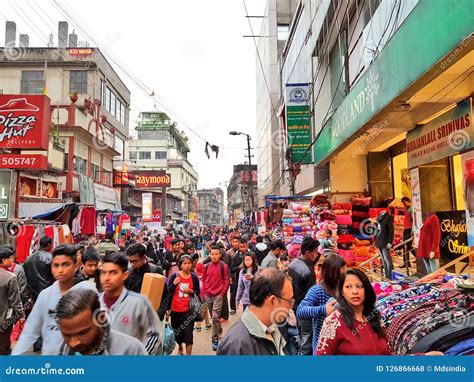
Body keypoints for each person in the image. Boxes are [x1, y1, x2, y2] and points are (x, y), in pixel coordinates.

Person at [12, 244, 97, 355]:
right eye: (55, 265)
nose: (60, 270)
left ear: (76, 266)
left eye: (65, 265)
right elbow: (30, 332)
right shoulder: (45, 295)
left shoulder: (88, 291)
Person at [217, 268, 293, 355]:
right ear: (272, 300)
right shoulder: (236, 345)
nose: (291, 307)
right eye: (289, 301)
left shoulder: (272, 328)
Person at [316, 268, 391, 355]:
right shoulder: (333, 322)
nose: (355, 292)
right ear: (342, 291)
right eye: (348, 287)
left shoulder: (374, 316)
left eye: (359, 286)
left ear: (366, 290)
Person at [99, 252, 162, 355]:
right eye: (103, 272)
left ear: (125, 275)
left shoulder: (139, 302)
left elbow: (154, 335)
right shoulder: (94, 302)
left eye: (113, 273)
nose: (106, 278)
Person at [56, 289, 147, 355]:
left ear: (101, 318)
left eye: (82, 333)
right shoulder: (62, 350)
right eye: (66, 335)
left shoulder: (131, 351)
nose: (73, 343)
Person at [297, 254, 346, 354]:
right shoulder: (317, 291)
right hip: (322, 347)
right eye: (340, 275)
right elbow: (300, 311)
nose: (343, 277)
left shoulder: (344, 288)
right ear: (331, 274)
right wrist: (323, 310)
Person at [288, 236, 320, 355]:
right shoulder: (307, 271)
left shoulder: (294, 263)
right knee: (306, 342)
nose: (316, 255)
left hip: (295, 306)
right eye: (315, 252)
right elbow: (311, 294)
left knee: (300, 336)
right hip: (305, 309)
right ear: (307, 252)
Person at [167, 255, 200, 355]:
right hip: (176, 310)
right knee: (178, 334)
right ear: (180, 265)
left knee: (188, 335)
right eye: (184, 263)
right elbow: (168, 291)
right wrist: (174, 284)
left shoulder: (194, 277)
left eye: (189, 263)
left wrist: (192, 292)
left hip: (188, 311)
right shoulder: (175, 276)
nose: (187, 265)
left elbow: (198, 292)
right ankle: (180, 347)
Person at [201, 245, 230, 351]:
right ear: (210, 254)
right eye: (212, 254)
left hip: (218, 295)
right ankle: (219, 329)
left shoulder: (224, 266)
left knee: (215, 316)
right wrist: (203, 293)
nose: (214, 256)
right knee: (215, 318)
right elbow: (203, 280)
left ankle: (214, 339)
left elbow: (226, 280)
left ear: (220, 255)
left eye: (216, 254)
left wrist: (222, 293)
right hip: (208, 295)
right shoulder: (207, 266)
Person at [0, 246, 24, 354]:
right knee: (4, 345)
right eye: (10, 258)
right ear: (3, 260)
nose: (12, 260)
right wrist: (21, 316)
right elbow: (15, 300)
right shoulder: (10, 277)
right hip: (4, 317)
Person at [23, 236, 53, 302]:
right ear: (48, 244)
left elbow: (25, 276)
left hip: (32, 293)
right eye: (51, 244)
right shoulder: (51, 258)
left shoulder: (28, 259)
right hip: (47, 291)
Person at [228, 239, 248, 315]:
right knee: (233, 292)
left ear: (246, 246)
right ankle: (233, 308)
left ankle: (248, 309)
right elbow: (231, 269)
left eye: (244, 247)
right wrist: (239, 267)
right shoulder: (235, 256)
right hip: (236, 277)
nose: (242, 248)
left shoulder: (250, 255)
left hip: (247, 278)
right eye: (241, 247)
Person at [401, 197, 414, 268]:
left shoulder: (411, 209)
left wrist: (412, 230)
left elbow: (414, 220)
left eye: (404, 203)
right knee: (406, 246)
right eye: (403, 203)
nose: (404, 205)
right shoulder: (407, 209)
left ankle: (418, 257)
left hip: (409, 230)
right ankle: (406, 262)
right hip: (406, 229)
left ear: (409, 201)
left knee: (407, 246)